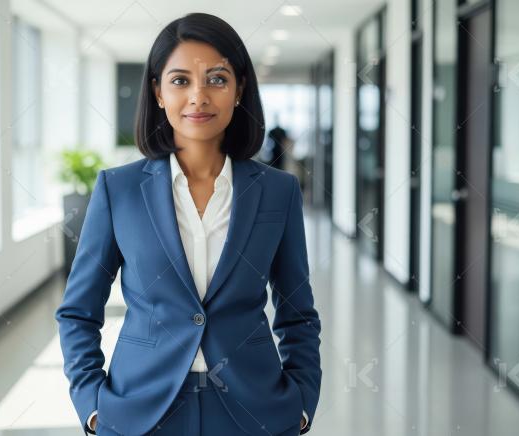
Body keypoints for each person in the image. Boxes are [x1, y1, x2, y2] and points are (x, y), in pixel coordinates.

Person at [55, 12, 322, 436]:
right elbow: (78, 312)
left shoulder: (278, 191)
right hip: (142, 411)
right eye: (180, 80)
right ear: (158, 92)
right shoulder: (118, 190)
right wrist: (92, 404)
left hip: (255, 410)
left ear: (239, 91)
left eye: (216, 79)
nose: (199, 96)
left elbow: (298, 314)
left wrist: (302, 401)